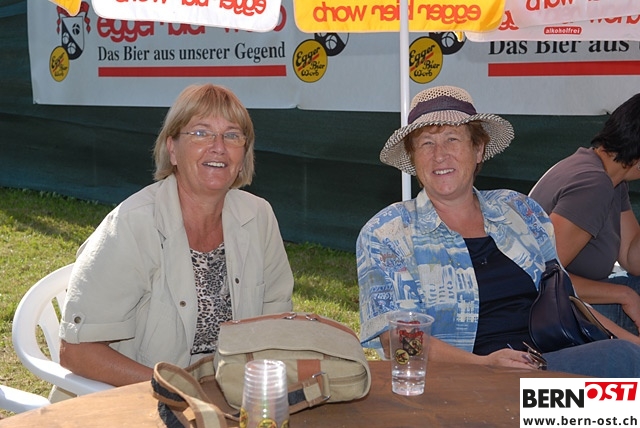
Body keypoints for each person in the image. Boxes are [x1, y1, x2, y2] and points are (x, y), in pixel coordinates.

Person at [357, 85, 640, 377]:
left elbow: (566, 298)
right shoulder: (387, 234)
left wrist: (628, 342)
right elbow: (397, 340)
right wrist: (484, 365)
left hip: (543, 368)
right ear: (413, 158)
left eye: (452, 139)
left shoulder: (519, 211)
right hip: (462, 381)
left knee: (624, 359)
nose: (439, 155)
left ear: (478, 149)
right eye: (426, 143)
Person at [59, 83, 294, 389]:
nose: (218, 147)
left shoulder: (258, 216)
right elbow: (76, 352)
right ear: (172, 149)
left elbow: (276, 321)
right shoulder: (132, 224)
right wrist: (180, 389)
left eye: (232, 135)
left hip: (228, 393)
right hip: (134, 396)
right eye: (201, 132)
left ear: (244, 154)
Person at [529, 93, 640, 336]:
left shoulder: (612, 178)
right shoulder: (594, 185)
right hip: (550, 311)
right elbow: (541, 277)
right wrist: (624, 294)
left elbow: (632, 258)